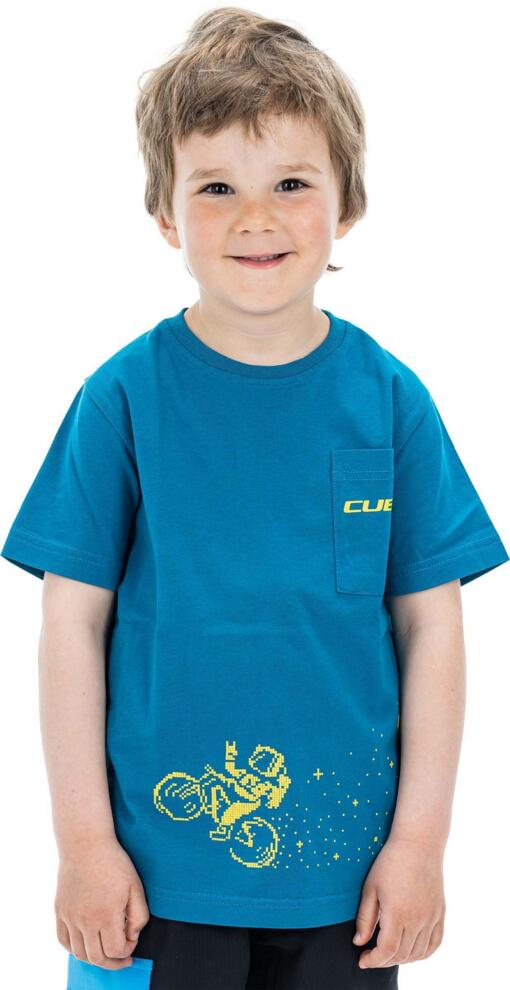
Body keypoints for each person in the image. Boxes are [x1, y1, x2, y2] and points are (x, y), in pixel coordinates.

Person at [2, 7, 509, 990]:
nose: (255, 217)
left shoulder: (392, 401)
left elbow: (433, 629)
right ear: (165, 215)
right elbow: (70, 624)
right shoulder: (122, 400)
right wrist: (83, 845)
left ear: (347, 203)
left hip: (347, 891)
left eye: (290, 183)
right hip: (153, 884)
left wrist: (420, 847)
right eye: (217, 187)